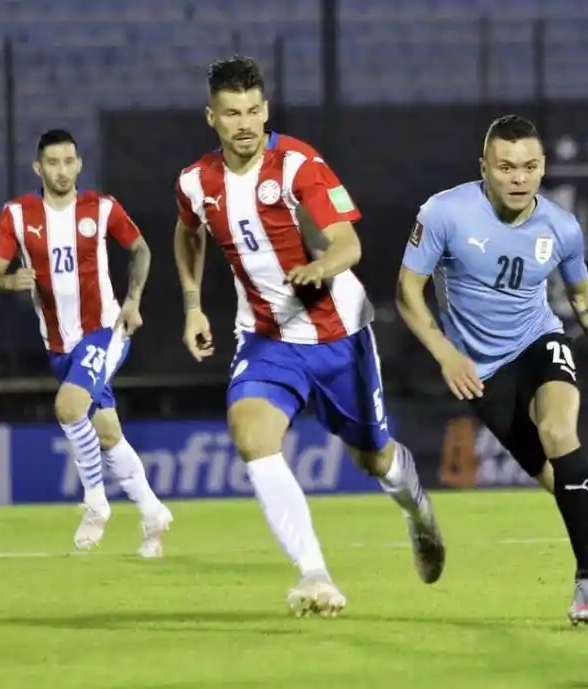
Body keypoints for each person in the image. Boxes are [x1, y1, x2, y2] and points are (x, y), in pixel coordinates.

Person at [173, 56, 444, 617]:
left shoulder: (298, 165)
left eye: (253, 110)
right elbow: (188, 233)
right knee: (252, 435)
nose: (245, 123)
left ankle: (417, 510)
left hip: (336, 334)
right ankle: (315, 575)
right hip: (266, 338)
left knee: (374, 460)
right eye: (231, 113)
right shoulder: (196, 182)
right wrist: (193, 305)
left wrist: (320, 269)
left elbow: (349, 245)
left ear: (265, 109)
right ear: (211, 117)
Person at [396, 115, 588, 626]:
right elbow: (407, 292)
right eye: (505, 167)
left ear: (543, 168)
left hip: (539, 342)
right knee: (573, 494)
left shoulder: (560, 226)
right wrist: (445, 353)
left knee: (558, 430)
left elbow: (583, 295)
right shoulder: (444, 213)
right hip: (481, 373)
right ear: (484, 167)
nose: (519, 178)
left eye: (529, 166)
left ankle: (587, 580)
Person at [0, 129, 173, 557]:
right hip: (58, 345)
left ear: (79, 164)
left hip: (106, 331)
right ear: (38, 168)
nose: (62, 170)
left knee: (68, 408)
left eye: (69, 161)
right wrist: (10, 279)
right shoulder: (17, 215)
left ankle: (95, 502)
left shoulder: (101, 208)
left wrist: (132, 302)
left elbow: (140, 249)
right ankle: (152, 511)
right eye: (53, 163)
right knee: (107, 433)